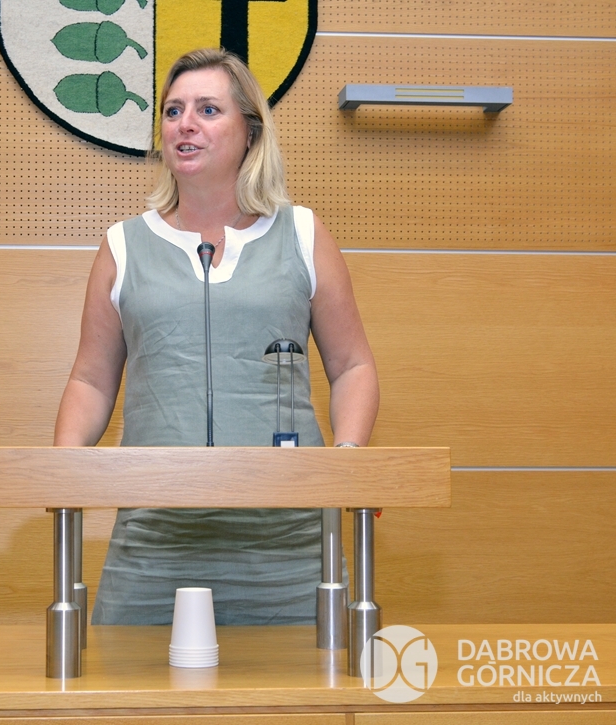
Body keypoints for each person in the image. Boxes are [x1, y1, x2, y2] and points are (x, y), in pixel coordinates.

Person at [53, 48, 379, 625]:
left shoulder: (303, 233)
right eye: (173, 110)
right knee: (121, 682)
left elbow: (352, 365)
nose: (186, 123)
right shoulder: (122, 245)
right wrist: (62, 469)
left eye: (207, 109)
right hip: (154, 537)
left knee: (303, 683)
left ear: (249, 132)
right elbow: (91, 381)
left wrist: (349, 457)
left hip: (288, 542)